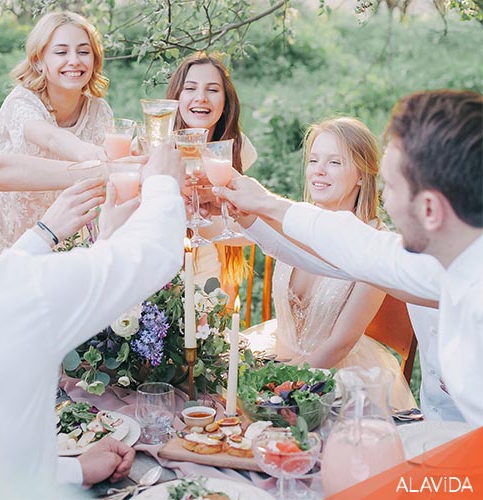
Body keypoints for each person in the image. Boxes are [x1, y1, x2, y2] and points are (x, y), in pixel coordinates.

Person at [211, 90, 483, 427]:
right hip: (435, 424)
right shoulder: (430, 263)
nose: (385, 198)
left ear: (430, 208)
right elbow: (341, 252)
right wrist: (253, 210)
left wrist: (265, 203)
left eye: (392, 186)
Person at [0, 127, 186, 496]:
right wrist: (162, 185)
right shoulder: (16, 296)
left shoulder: (2, 290)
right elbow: (153, 253)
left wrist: (73, 470)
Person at [240, 117, 416, 409]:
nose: (319, 171)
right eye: (313, 160)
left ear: (361, 174)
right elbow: (250, 228)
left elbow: (340, 344)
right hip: (278, 353)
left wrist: (282, 389)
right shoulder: (296, 219)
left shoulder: (373, 243)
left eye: (334, 162)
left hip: (335, 376)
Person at [0, 11, 113, 256]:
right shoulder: (21, 101)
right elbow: (50, 137)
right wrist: (92, 159)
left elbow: (105, 190)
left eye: (84, 52)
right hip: (5, 244)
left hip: (62, 246)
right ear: (38, 61)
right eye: (61, 52)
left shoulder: (100, 111)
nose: (74, 60)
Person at [166, 52, 257, 302]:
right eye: (190, 88)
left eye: (213, 90)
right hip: (160, 269)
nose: (201, 98)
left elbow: (243, 230)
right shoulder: (156, 145)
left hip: (207, 272)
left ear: (226, 101)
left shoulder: (236, 148)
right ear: (177, 97)